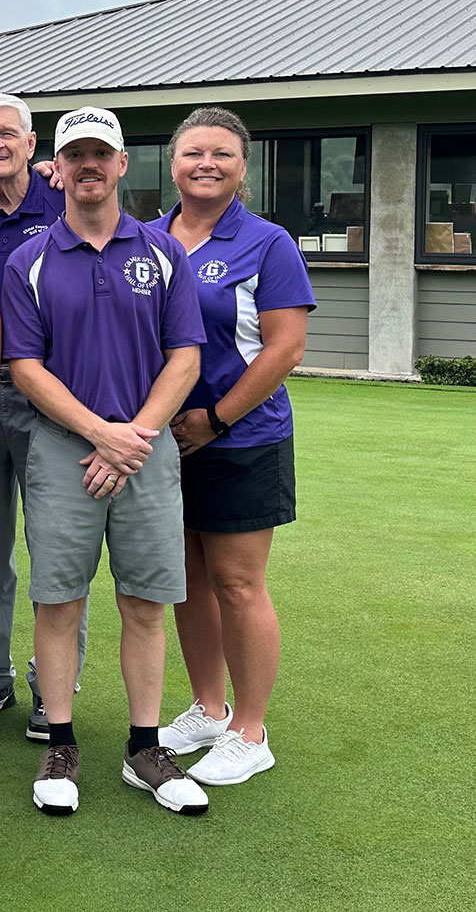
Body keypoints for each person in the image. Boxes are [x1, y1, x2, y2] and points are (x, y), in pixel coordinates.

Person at [3, 106, 210, 817]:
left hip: (144, 451)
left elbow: (184, 356)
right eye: (75, 155)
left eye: (102, 153)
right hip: (63, 450)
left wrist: (132, 438)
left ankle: (143, 747)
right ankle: (60, 740)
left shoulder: (161, 253)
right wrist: (100, 433)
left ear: (123, 164)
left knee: (145, 602)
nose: (88, 165)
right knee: (57, 600)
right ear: (55, 168)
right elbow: (25, 366)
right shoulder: (26, 261)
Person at [148, 107, 314, 785]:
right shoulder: (147, 237)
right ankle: (208, 707)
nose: (205, 163)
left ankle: (251, 727)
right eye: (193, 152)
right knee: (186, 580)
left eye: (221, 153)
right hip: (166, 441)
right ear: (173, 162)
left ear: (243, 167)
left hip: (242, 437)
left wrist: (215, 418)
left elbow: (286, 346)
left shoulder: (267, 241)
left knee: (238, 583)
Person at [0, 93, 84, 741]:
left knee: (58, 544)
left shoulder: (67, 205)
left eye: (7, 133)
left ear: (34, 147)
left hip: (54, 398)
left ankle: (53, 685)